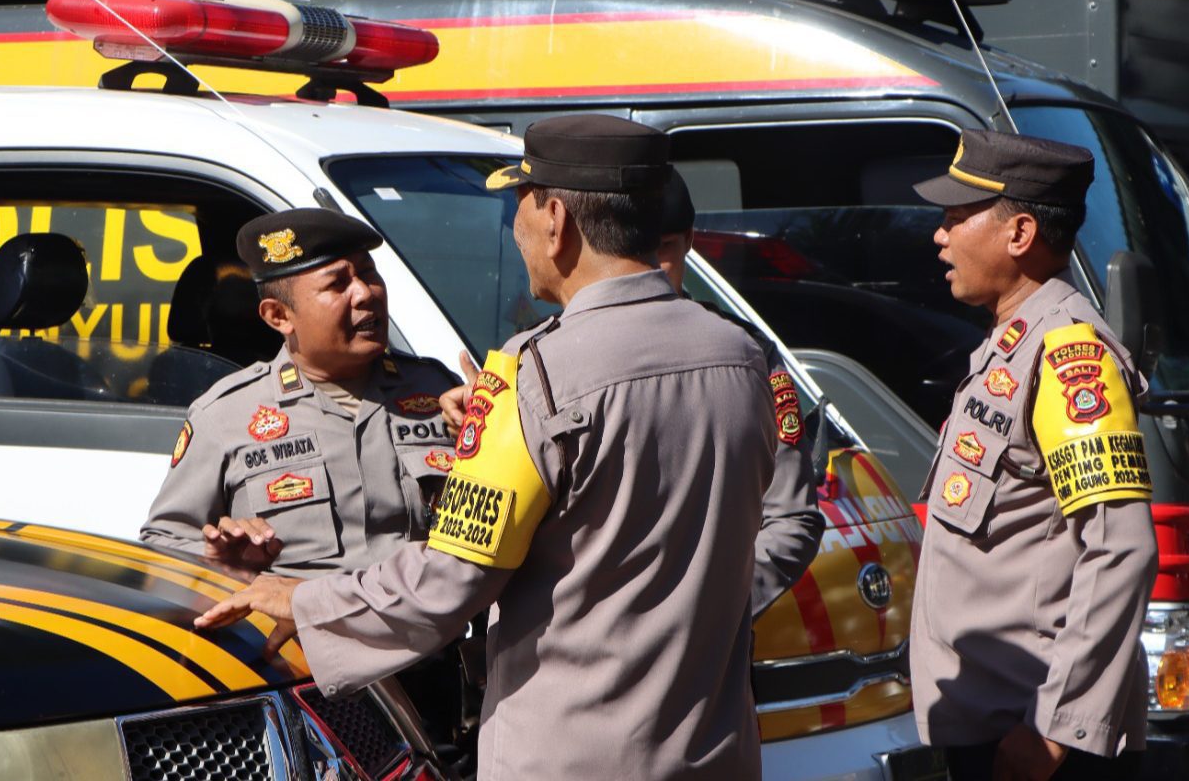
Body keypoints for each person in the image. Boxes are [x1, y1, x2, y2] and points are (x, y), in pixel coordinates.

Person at [196, 114, 776, 780]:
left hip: (572, 756)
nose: (515, 230)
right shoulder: (739, 355)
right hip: (716, 751)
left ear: (555, 219)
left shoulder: (535, 375)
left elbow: (453, 577)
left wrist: (302, 600)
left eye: (519, 205)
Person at [909, 129, 1158, 781]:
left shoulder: (1070, 354)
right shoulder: (1013, 342)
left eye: (957, 217)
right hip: (993, 726)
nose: (940, 235)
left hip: (1033, 738)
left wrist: (1056, 728)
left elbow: (1121, 548)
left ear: (1020, 233)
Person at [139, 208, 460, 577]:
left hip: (426, 612)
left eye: (368, 273)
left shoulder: (438, 390)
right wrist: (217, 559)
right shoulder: (225, 415)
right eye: (337, 284)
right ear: (279, 316)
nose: (364, 293)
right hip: (298, 614)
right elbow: (163, 542)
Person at [656, 174, 824, 621]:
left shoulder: (748, 353)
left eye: (664, 248)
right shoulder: (556, 355)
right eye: (636, 252)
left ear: (689, 241)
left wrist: (710, 617)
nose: (652, 270)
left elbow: (791, 520)